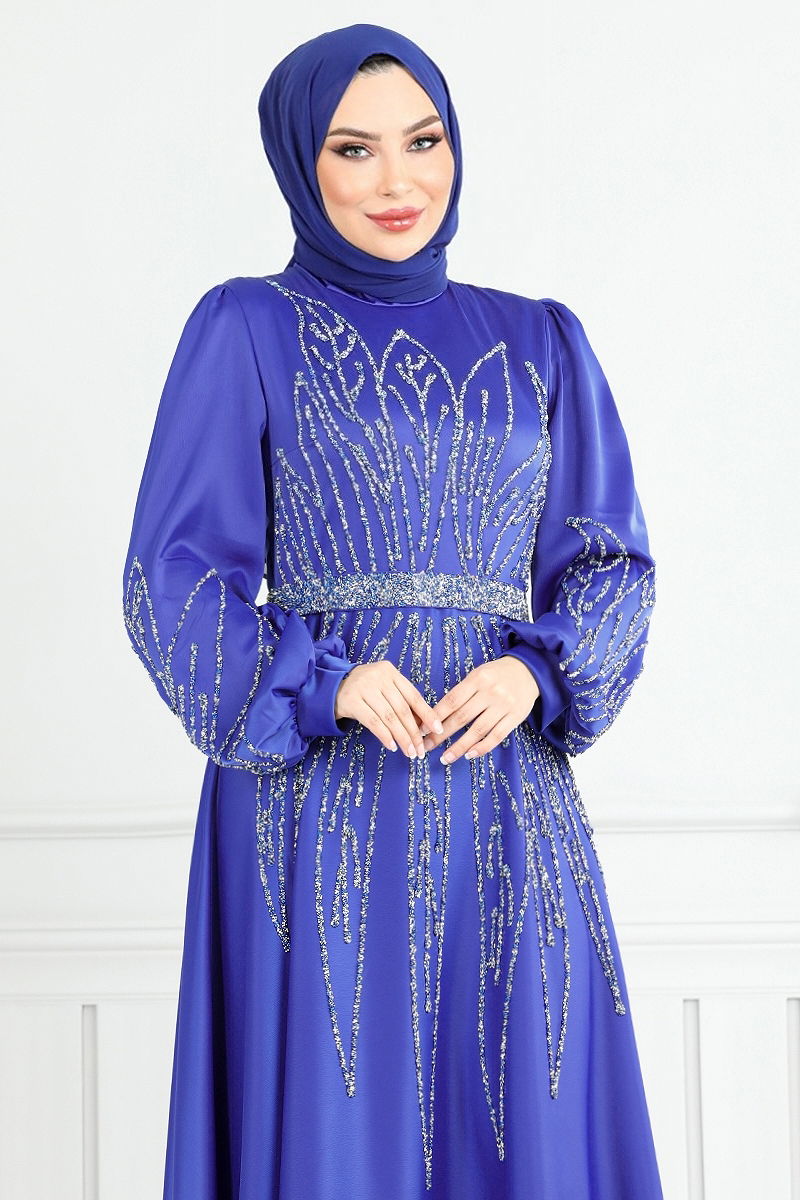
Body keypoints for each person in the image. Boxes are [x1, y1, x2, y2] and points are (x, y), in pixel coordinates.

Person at [122, 22, 662, 1200]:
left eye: (421, 142)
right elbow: (172, 576)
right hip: (315, 803)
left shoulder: (541, 339)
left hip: (500, 794)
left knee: (520, 1106)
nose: (397, 182)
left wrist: (536, 672)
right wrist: (322, 684)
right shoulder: (243, 326)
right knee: (336, 1120)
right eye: (352, 150)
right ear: (297, 162)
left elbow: (611, 563)